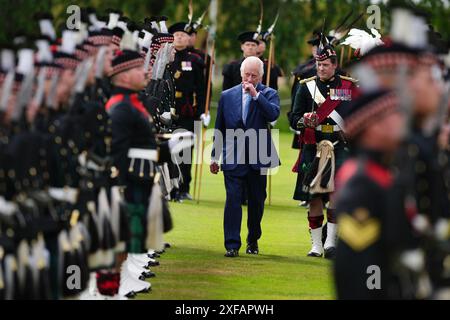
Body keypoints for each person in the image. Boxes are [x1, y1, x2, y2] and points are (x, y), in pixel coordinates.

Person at [333, 90, 407, 299]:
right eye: (393, 115)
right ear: (373, 127)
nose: (401, 121)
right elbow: (364, 263)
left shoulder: (384, 171)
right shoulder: (362, 183)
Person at [290, 44, 358, 259]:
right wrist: (303, 121)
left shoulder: (348, 86)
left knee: (337, 193)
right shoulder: (306, 86)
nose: (321, 68)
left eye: (326, 65)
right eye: (319, 64)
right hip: (314, 146)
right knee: (314, 197)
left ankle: (331, 243)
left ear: (335, 66)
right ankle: (316, 245)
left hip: (340, 145)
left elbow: (358, 113)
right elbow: (293, 117)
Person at [210, 56, 280, 257]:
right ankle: (232, 244)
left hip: (259, 154)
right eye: (246, 74)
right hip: (233, 155)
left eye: (254, 75)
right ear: (241, 73)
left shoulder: (269, 93)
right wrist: (215, 156)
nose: (249, 78)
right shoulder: (227, 95)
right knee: (232, 199)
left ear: (260, 76)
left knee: (257, 201)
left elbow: (273, 115)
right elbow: (219, 127)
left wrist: (257, 95)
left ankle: (253, 239)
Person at [168, 21, 207, 201]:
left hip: (186, 111)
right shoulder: (165, 57)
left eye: (183, 35)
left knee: (185, 151)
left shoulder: (195, 61)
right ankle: (168, 187)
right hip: (166, 110)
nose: (180, 38)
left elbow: (202, 88)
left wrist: (202, 111)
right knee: (167, 149)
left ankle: (183, 187)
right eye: (176, 35)